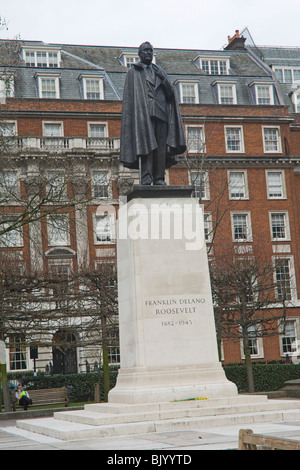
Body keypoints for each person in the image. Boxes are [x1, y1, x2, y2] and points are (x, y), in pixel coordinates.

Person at [120, 41, 186, 185]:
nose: (148, 53)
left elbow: (170, 95)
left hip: (161, 113)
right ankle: (146, 177)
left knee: (161, 147)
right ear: (139, 54)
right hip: (143, 115)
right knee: (146, 146)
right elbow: (130, 99)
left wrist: (163, 79)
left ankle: (159, 178)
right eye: (145, 50)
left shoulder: (159, 71)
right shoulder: (133, 72)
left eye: (150, 50)